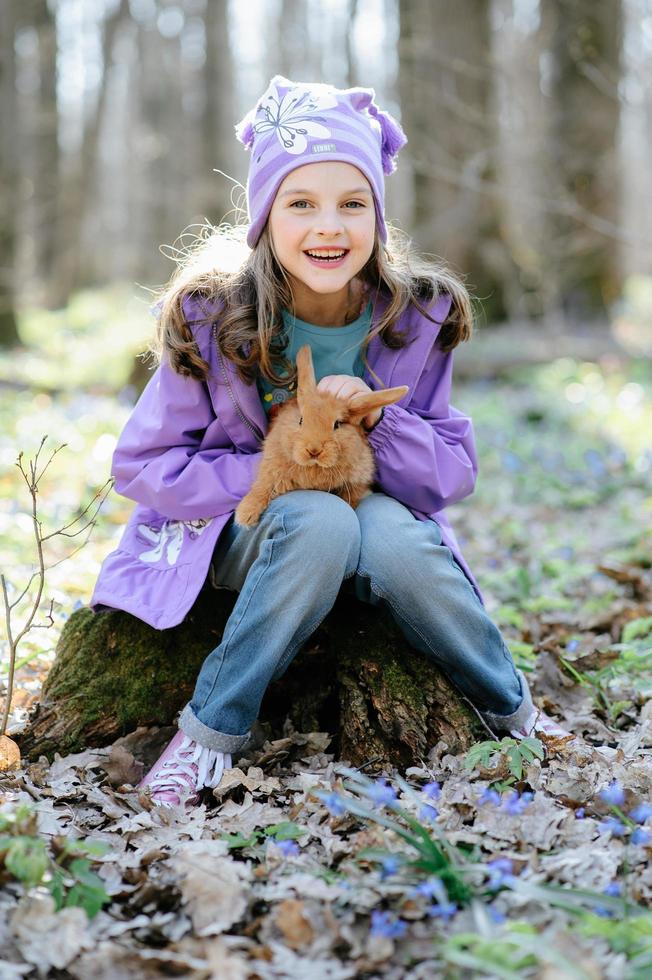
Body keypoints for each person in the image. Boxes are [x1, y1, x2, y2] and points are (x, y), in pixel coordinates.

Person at [90, 75, 573, 809]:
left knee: (403, 544)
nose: (329, 227)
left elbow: (449, 475)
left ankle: (515, 715)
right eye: (301, 204)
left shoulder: (417, 317)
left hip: (371, 513)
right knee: (317, 519)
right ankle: (209, 735)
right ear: (264, 216)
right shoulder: (212, 317)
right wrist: (278, 473)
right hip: (245, 525)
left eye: (353, 204)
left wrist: (381, 424)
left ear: (378, 214)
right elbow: (142, 464)